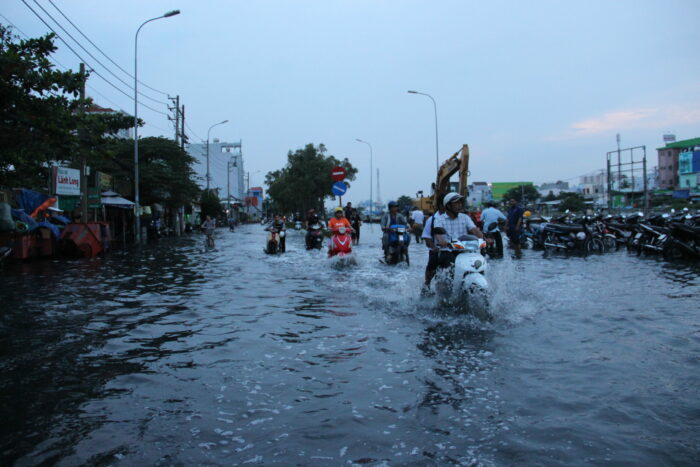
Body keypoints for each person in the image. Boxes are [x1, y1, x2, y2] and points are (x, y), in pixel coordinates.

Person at [422, 193, 487, 291]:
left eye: (460, 202)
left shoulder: (465, 217)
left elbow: (474, 230)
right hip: (447, 250)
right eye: (456, 203)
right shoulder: (439, 219)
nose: (459, 205)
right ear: (448, 205)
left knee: (478, 262)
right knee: (446, 264)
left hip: (465, 250)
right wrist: (441, 241)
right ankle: (447, 288)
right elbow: (437, 233)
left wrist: (484, 238)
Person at [421, 195, 446, 292]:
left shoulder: (457, 219)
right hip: (437, 250)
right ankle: (426, 285)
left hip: (452, 251)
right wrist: (433, 247)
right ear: (440, 206)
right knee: (431, 268)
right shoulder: (432, 220)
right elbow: (426, 236)